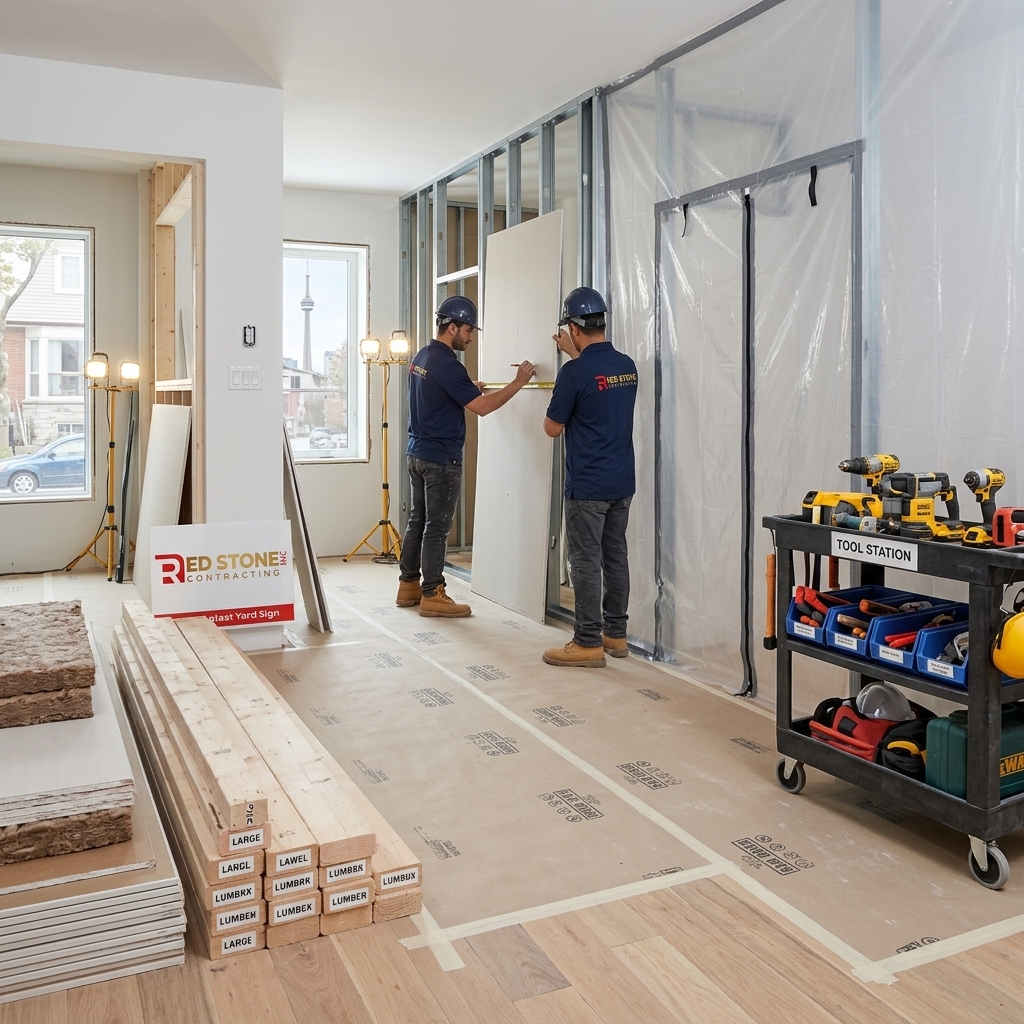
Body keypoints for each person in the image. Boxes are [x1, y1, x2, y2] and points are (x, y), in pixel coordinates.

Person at [397, 295, 536, 617]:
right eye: (469, 330)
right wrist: (518, 382)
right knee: (436, 527)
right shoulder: (448, 364)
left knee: (418, 521)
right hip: (440, 460)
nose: (471, 337)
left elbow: (434, 393)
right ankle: (433, 593)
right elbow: (483, 408)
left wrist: (464, 387)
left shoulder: (424, 356)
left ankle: (408, 587)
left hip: (416, 453)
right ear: (452, 327)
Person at [542, 287, 638, 667]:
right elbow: (599, 384)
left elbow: (551, 428)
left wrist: (573, 362)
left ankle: (586, 641)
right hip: (621, 482)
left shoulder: (574, 373)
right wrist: (576, 355)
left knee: (584, 560)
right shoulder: (626, 366)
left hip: (587, 486)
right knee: (615, 555)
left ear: (574, 327)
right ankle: (615, 635)